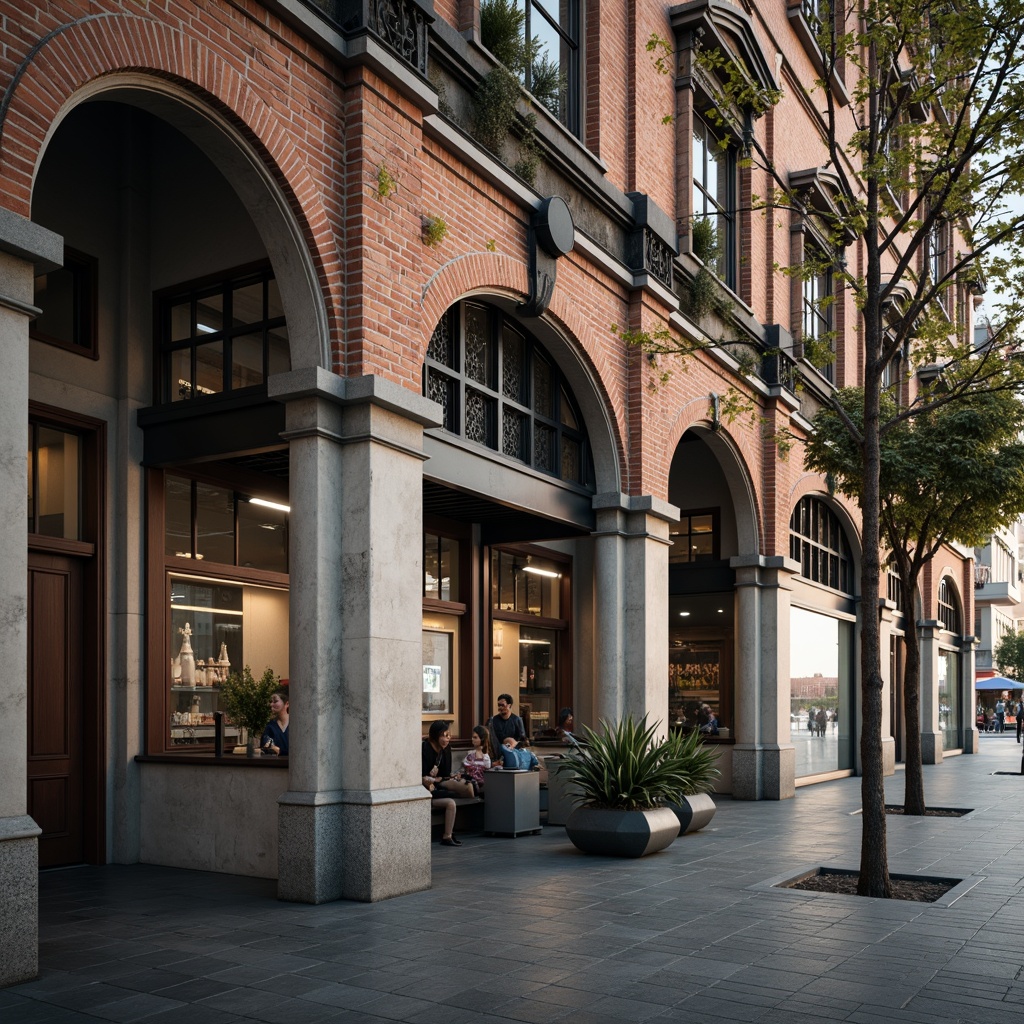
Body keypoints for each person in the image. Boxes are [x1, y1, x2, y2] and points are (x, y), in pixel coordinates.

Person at [421, 719, 465, 846]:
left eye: (449, 735)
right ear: (436, 735)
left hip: (437, 788)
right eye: (444, 736)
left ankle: (448, 836)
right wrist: (431, 778)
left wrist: (438, 778)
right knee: (452, 797)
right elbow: (420, 775)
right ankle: (448, 836)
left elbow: (445, 774)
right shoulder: (425, 748)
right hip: (425, 790)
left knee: (452, 801)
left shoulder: (446, 749)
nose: (447, 739)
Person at [488, 693, 528, 762]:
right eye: (499, 705)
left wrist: (514, 745)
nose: (500, 708)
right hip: (497, 755)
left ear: (509, 705)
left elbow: (522, 739)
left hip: (514, 754)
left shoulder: (517, 720)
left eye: (502, 705)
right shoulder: (493, 721)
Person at [461, 725, 492, 793]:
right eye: (472, 737)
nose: (472, 739)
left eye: (475, 737)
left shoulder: (486, 756)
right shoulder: (470, 754)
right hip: (469, 783)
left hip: (481, 785)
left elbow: (487, 767)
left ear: (482, 739)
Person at [260, 688, 289, 755]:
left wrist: (279, 751)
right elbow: (266, 747)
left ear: (287, 704)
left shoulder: (296, 723)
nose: (271, 704)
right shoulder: (270, 726)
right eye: (271, 702)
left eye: (275, 701)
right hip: (276, 764)